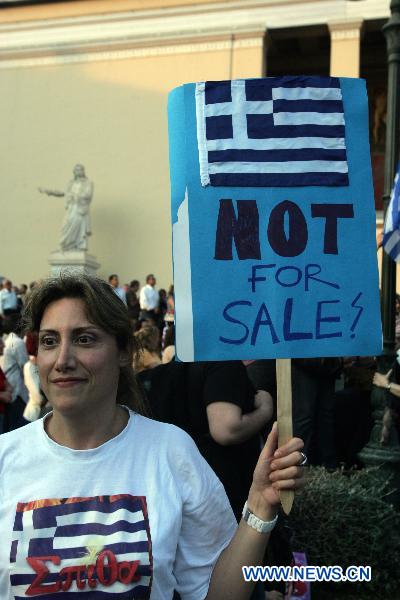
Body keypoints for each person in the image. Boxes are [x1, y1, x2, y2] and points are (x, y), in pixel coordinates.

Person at [0, 274, 304, 600]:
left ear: (123, 351)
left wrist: (259, 505)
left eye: (84, 339)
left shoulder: (170, 451)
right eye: (49, 341)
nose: (62, 360)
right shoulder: (6, 457)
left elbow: (216, 593)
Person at [38, 163, 93, 252]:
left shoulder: (88, 183)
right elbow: (63, 193)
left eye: (81, 169)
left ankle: (76, 245)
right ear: (74, 172)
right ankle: (64, 246)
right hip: (71, 208)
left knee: (76, 226)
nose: (79, 171)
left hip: (80, 209)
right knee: (66, 226)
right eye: (77, 170)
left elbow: (88, 195)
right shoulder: (71, 183)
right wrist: (49, 191)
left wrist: (76, 195)